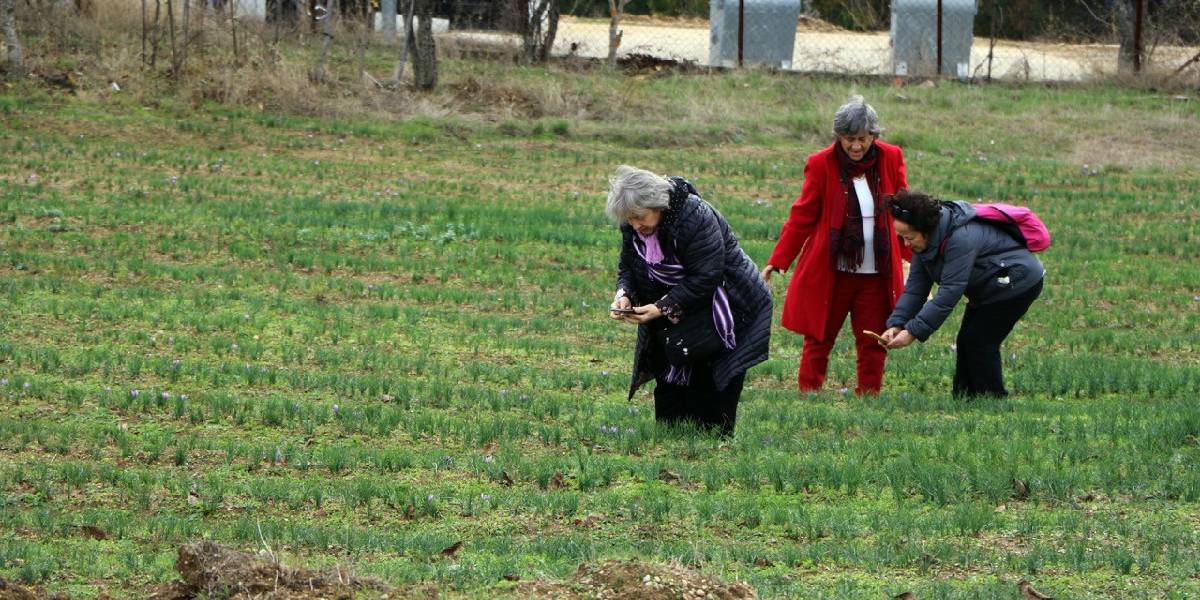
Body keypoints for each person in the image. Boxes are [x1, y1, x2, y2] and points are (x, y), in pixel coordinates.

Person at [760, 95, 910, 395]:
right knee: (818, 337)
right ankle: (808, 393)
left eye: (863, 139)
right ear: (838, 137)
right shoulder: (821, 164)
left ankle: (869, 397)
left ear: (874, 136)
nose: (856, 146)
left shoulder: (891, 158)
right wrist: (778, 260)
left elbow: (903, 208)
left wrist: (912, 257)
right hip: (832, 270)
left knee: (873, 340)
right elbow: (802, 214)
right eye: (849, 139)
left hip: (875, 271)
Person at [607, 165, 772, 437]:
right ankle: (673, 454)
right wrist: (624, 295)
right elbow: (629, 266)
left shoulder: (695, 217)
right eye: (629, 220)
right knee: (670, 407)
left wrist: (660, 307)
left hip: (727, 310)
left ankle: (711, 456)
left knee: (710, 396)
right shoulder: (636, 226)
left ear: (657, 204)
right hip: (677, 313)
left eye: (640, 217)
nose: (636, 225)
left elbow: (706, 277)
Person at [880, 190, 1045, 398]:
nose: (906, 244)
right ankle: (964, 398)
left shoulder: (961, 238)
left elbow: (949, 293)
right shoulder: (925, 245)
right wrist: (897, 323)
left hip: (1017, 283)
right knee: (966, 340)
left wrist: (913, 331)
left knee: (980, 341)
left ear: (926, 230)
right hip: (989, 285)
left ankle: (991, 400)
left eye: (909, 237)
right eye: (902, 238)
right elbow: (916, 288)